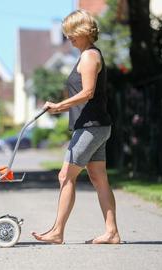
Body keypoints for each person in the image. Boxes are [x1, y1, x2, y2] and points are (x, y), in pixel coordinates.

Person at [31, 9, 121, 244]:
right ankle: (111, 232)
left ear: (83, 32)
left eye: (71, 33)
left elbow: (88, 92)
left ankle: (57, 231)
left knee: (65, 176)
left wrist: (60, 106)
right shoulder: (87, 55)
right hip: (96, 125)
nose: (68, 38)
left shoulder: (90, 56)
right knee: (98, 177)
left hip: (91, 127)